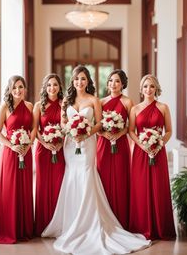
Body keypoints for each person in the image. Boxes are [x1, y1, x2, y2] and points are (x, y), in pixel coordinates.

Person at [41, 65, 151, 255]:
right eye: (76, 79)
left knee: (86, 174)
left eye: (83, 79)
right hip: (70, 144)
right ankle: (71, 222)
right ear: (72, 81)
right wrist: (72, 132)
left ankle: (89, 222)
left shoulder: (94, 100)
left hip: (87, 143)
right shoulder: (66, 100)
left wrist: (85, 133)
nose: (79, 82)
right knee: (72, 177)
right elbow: (63, 123)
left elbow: (99, 123)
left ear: (88, 81)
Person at [0, 75, 36, 244]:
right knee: (10, 188)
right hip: (11, 153)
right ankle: (9, 228)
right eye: (14, 87)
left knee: (24, 188)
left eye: (21, 87)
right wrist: (12, 145)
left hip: (26, 152)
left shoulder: (30, 106)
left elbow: (33, 128)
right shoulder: (4, 107)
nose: (18, 90)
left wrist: (28, 145)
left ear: (25, 89)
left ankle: (24, 229)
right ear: (9, 89)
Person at [129, 74, 176, 240]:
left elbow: (169, 130)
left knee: (158, 187)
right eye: (146, 86)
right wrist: (142, 146)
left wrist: (159, 144)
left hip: (158, 151)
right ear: (141, 89)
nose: (149, 89)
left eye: (152, 86)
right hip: (141, 153)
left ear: (156, 89)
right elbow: (131, 131)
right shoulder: (134, 109)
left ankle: (161, 227)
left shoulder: (163, 107)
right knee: (141, 187)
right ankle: (142, 226)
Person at [97, 69, 133, 229]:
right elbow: (96, 126)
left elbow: (130, 127)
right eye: (111, 81)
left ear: (123, 84)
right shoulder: (101, 102)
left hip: (121, 144)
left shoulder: (127, 102)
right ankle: (104, 218)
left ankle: (122, 220)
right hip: (103, 145)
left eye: (117, 81)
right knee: (103, 179)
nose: (113, 84)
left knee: (121, 178)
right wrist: (105, 134)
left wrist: (118, 135)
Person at [33, 74, 65, 236]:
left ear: (60, 87)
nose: (52, 88)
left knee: (59, 184)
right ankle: (42, 224)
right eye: (49, 85)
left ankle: (59, 224)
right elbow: (35, 130)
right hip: (43, 151)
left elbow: (67, 127)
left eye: (55, 85)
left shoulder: (65, 105)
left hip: (60, 150)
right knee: (43, 186)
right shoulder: (39, 106)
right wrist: (45, 143)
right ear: (45, 88)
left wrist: (61, 142)